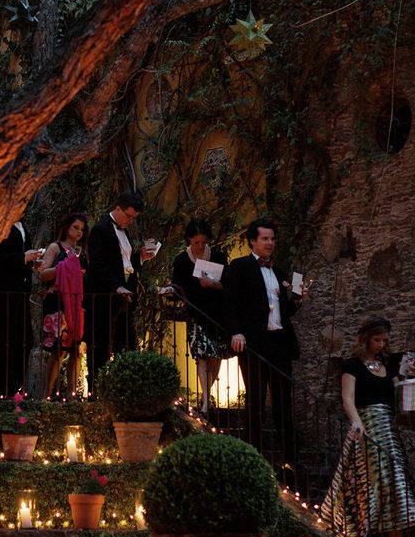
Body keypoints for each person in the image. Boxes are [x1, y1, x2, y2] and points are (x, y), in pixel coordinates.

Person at [320, 317, 415, 537]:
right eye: (377, 340)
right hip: (366, 429)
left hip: (388, 431)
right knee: (368, 490)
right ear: (365, 339)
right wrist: (356, 422)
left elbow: (393, 398)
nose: (381, 344)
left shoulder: (387, 366)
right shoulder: (351, 366)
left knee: (397, 492)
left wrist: (405, 380)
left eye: (385, 340)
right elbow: (347, 399)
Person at [227, 218, 303, 469]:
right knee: (255, 400)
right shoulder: (239, 267)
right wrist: (236, 332)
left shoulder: (278, 272)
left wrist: (297, 301)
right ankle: (253, 457)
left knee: (283, 400)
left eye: (272, 239)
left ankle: (289, 461)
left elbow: (283, 311)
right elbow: (231, 303)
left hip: (279, 341)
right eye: (265, 239)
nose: (270, 243)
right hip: (255, 343)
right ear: (252, 241)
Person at [83, 190, 157, 394]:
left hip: (124, 296)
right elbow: (98, 265)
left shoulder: (124, 231)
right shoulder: (100, 229)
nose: (131, 221)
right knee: (100, 345)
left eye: (135, 218)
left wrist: (140, 259)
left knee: (126, 345)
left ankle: (126, 392)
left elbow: (125, 265)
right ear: (118, 208)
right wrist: (116, 286)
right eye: (129, 216)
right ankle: (96, 392)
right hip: (103, 297)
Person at [170, 219, 229, 416]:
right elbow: (177, 286)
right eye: (196, 242)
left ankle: (208, 393)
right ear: (189, 240)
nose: (200, 246)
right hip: (196, 313)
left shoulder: (218, 257)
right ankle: (205, 399)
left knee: (215, 354)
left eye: (203, 242)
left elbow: (228, 285)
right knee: (201, 355)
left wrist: (212, 284)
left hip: (217, 313)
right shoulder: (181, 260)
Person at [0, 220, 42, 396]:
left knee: (26, 339)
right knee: (9, 339)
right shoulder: (0, 224)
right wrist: (23, 257)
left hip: (21, 292)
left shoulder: (23, 226)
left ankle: (15, 386)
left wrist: (31, 262)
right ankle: (5, 389)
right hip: (4, 291)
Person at [39, 212, 89, 397]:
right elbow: (43, 274)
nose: (78, 232)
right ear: (67, 227)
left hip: (77, 303)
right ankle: (47, 394)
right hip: (57, 303)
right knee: (58, 350)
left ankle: (71, 394)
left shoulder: (82, 252)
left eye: (82, 230)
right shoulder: (56, 247)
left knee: (76, 349)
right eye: (76, 227)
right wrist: (64, 267)